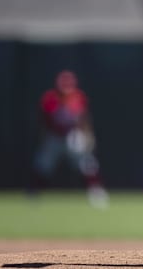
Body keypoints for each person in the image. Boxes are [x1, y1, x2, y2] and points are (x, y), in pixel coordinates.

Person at [30, 70, 108, 208]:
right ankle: (34, 192)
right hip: (55, 136)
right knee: (44, 164)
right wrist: (44, 137)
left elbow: (84, 118)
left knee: (87, 163)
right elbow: (44, 121)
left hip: (73, 135)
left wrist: (88, 135)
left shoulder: (78, 97)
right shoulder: (50, 98)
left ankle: (96, 192)